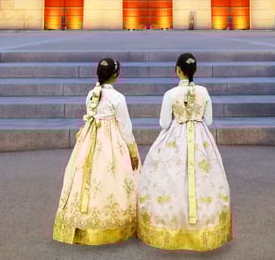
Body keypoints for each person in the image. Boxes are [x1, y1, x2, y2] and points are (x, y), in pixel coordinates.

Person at [137, 53, 232, 251]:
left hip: (175, 136)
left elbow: (164, 123)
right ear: (195, 71)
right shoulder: (204, 91)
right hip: (200, 138)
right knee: (205, 178)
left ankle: (170, 226)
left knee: (169, 179)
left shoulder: (170, 94)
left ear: (177, 70)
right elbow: (208, 121)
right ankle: (205, 226)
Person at [53, 58, 141, 245]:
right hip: (112, 142)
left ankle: (82, 223)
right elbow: (125, 128)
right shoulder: (118, 98)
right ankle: (113, 225)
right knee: (110, 177)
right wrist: (132, 151)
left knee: (86, 175)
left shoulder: (90, 94)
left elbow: (91, 117)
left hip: (90, 139)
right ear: (116, 75)